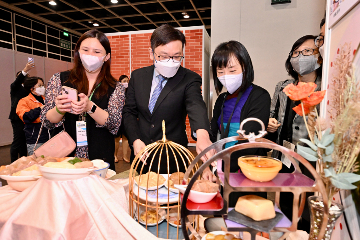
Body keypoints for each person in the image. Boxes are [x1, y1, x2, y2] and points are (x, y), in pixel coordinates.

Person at [123, 24, 214, 179]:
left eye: (177, 56)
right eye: (163, 56)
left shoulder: (189, 78)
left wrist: (203, 135)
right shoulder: (138, 77)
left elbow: (195, 105)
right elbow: (129, 112)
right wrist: (135, 140)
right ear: (151, 53)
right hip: (142, 155)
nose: (170, 61)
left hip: (173, 160)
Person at [41, 29, 125, 171]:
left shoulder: (115, 87)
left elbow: (115, 125)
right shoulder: (60, 79)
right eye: (85, 50)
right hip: (64, 159)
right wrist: (59, 109)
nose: (90, 55)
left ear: (106, 56)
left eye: (97, 52)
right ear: (78, 52)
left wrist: (90, 107)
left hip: (100, 159)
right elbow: (46, 120)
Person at [267, 35, 322, 232]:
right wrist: (270, 124)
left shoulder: (325, 88)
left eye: (307, 52)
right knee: (284, 205)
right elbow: (272, 114)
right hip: (283, 156)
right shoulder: (282, 87)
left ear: (319, 56)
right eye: (296, 53)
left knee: (307, 209)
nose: (301, 57)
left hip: (310, 160)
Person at [210, 41, 271, 206]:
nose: (226, 76)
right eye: (220, 71)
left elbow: (250, 142)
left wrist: (220, 166)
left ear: (245, 67)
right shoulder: (221, 100)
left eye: (232, 70)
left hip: (247, 174)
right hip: (221, 171)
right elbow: (212, 133)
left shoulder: (260, 96)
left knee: (246, 216)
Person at [16, 77, 49, 155]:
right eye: (40, 85)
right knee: (36, 163)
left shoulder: (46, 100)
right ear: (32, 88)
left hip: (49, 138)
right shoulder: (24, 101)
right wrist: (40, 109)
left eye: (43, 85)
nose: (43, 87)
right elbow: (26, 117)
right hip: (35, 139)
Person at [9, 61, 35, 161]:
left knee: (24, 140)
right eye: (25, 76)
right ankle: (13, 162)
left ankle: (23, 160)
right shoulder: (15, 87)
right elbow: (17, 81)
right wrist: (25, 70)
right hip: (17, 118)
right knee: (17, 141)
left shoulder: (29, 90)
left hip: (27, 117)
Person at [115, 75, 130, 163]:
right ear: (120, 82)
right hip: (118, 117)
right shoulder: (117, 91)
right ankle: (115, 155)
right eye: (124, 81)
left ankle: (125, 156)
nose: (126, 83)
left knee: (125, 137)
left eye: (127, 81)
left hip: (126, 117)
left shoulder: (129, 92)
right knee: (117, 138)